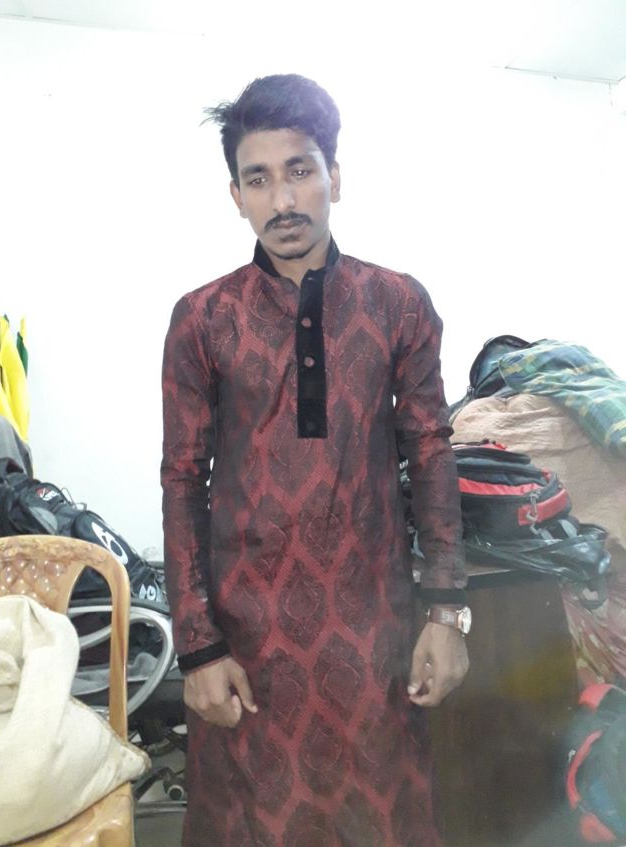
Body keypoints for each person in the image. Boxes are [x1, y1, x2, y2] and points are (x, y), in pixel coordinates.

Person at [161, 73, 469, 847]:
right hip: (249, 644)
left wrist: (447, 613)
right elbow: (182, 480)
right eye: (259, 179)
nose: (283, 199)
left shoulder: (398, 303)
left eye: (299, 170)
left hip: (373, 635)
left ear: (335, 175)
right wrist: (197, 645)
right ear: (236, 195)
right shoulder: (202, 319)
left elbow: (431, 450)